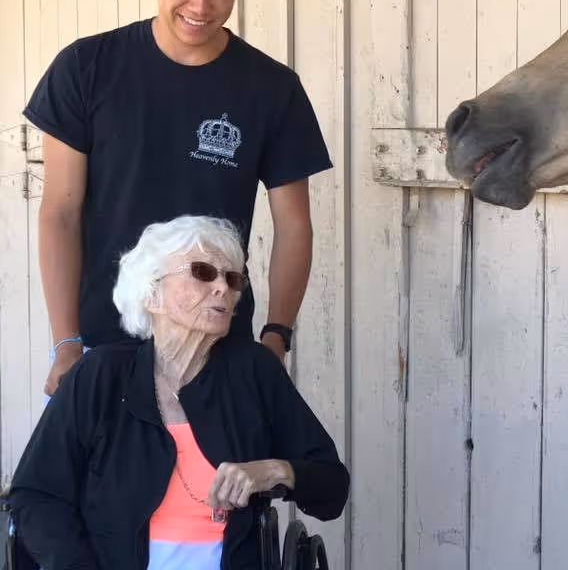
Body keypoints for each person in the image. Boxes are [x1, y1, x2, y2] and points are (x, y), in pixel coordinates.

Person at [24, 0, 330, 397]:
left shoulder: (272, 88)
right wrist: (66, 342)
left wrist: (276, 336)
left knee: (218, 479)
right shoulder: (86, 68)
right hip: (104, 348)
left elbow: (294, 225)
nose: (201, 5)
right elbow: (60, 212)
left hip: (218, 346)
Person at [7, 215, 350, 569]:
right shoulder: (100, 375)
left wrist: (275, 470)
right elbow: (35, 495)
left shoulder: (253, 370)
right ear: (151, 293)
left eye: (232, 279)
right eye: (202, 272)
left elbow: (332, 487)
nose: (223, 288)